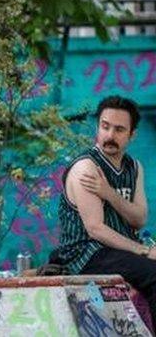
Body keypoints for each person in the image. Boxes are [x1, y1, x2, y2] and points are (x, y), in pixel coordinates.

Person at [52, 96, 154, 326]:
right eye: (105, 126)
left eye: (119, 130)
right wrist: (144, 252)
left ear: (132, 135)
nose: (109, 135)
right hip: (86, 253)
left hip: (118, 251)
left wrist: (108, 193)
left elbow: (139, 219)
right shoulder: (86, 168)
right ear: (98, 127)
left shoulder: (134, 167)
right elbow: (95, 229)